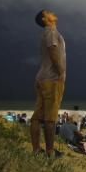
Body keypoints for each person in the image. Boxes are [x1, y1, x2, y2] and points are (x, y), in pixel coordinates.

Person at [30, 10, 66, 158]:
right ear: (45, 19)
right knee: (50, 118)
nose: (52, 13)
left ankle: (37, 150)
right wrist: (61, 71)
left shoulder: (46, 32)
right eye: (48, 12)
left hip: (41, 78)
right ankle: (50, 152)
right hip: (51, 79)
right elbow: (52, 50)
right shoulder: (51, 31)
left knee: (37, 117)